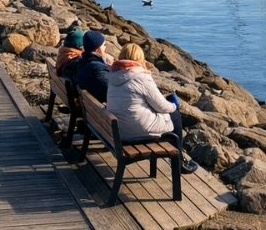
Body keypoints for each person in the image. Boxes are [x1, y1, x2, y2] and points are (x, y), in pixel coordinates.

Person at [105, 44, 198, 173]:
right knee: (175, 115)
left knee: (164, 113)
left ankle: (179, 158)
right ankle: (179, 162)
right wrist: (174, 105)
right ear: (140, 58)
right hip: (135, 130)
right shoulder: (141, 77)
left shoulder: (113, 75)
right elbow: (161, 106)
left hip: (117, 131)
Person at [73, 30, 112, 101]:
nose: (105, 48)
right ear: (97, 49)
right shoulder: (98, 68)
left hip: (89, 106)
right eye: (104, 45)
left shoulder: (82, 61)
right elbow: (110, 91)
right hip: (97, 109)